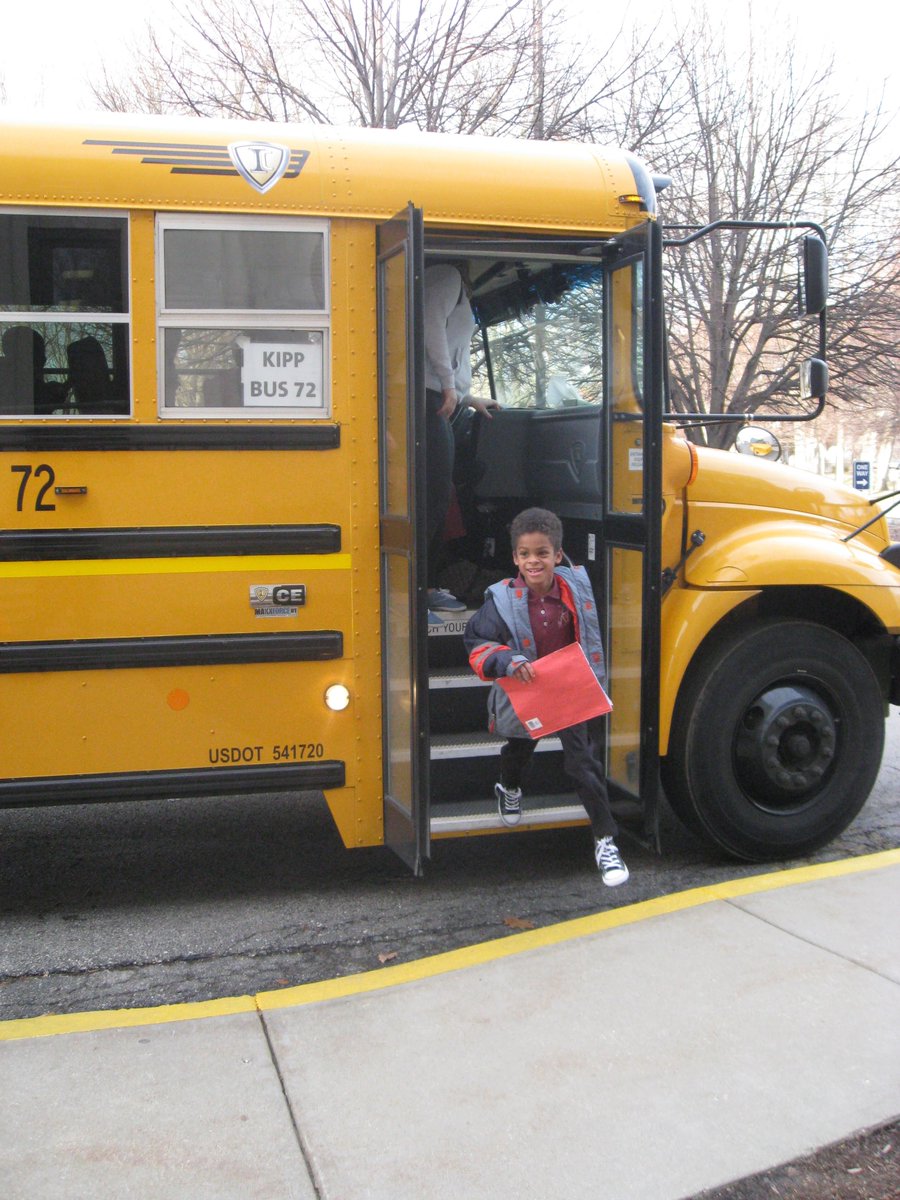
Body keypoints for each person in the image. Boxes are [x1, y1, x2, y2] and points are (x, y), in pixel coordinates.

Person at [463, 507, 629, 885]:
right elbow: (477, 640)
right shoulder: (502, 600)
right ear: (514, 558)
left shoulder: (578, 589)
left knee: (583, 763)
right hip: (530, 687)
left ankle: (605, 841)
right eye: (525, 554)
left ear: (558, 555)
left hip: (569, 688)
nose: (533, 561)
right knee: (520, 749)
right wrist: (507, 659)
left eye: (542, 553)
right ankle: (509, 785)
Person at [423, 263, 495, 620]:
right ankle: (423, 586)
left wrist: (467, 397)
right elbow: (429, 325)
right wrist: (450, 386)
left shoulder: (448, 284)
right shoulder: (447, 275)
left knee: (441, 496)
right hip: (428, 402)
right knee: (433, 498)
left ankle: (425, 583)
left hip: (435, 398)